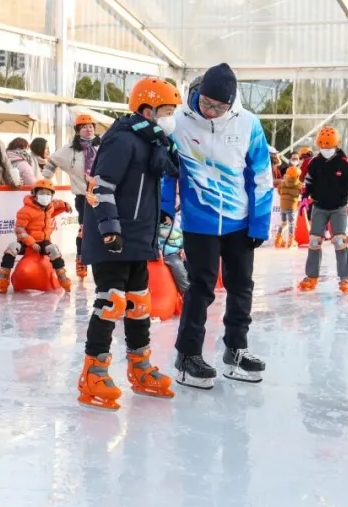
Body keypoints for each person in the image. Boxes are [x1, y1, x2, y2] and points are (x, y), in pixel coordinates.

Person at [164, 63, 273, 390]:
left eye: (219, 107)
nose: (211, 112)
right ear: (197, 94)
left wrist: (259, 223)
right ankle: (187, 356)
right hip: (200, 223)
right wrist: (165, 212)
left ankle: (236, 350)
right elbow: (167, 174)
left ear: (231, 102)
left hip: (240, 222)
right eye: (206, 103)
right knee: (201, 288)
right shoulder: (178, 123)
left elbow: (262, 176)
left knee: (242, 286)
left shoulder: (249, 124)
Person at [76, 78, 182, 411]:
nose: (170, 117)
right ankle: (94, 370)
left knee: (139, 304)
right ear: (147, 109)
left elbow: (147, 188)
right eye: (166, 111)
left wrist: (160, 214)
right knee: (112, 302)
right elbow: (101, 187)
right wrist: (109, 228)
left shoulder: (153, 141)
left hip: (139, 236)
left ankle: (139, 365)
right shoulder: (122, 140)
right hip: (115, 237)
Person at [297, 127, 348, 292]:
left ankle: (345, 278)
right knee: (314, 241)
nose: (325, 150)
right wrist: (304, 198)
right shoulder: (315, 162)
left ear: (336, 145)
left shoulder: (345, 163)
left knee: (339, 241)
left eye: (328, 147)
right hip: (319, 206)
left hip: (338, 207)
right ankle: (311, 276)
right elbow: (308, 182)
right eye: (322, 147)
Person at [43, 114, 101, 279]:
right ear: (77, 130)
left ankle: (103, 261)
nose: (88, 129)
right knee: (84, 228)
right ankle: (81, 259)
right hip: (83, 196)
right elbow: (53, 160)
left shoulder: (102, 145)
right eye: (84, 127)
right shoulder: (70, 150)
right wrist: (45, 179)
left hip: (103, 194)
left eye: (91, 126)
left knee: (105, 227)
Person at [0, 179, 73, 293]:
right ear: (35, 194)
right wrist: (31, 242)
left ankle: (62, 279)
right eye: (42, 193)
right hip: (27, 243)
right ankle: (2, 279)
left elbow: (57, 204)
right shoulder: (25, 211)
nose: (45, 196)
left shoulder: (50, 207)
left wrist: (65, 205)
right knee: (12, 247)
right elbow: (19, 229)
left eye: (48, 194)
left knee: (54, 250)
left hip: (44, 241)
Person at [275, 166, 302, 247]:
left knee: (283, 223)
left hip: (283, 206)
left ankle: (278, 238)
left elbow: (279, 192)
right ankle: (291, 241)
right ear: (297, 176)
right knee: (291, 224)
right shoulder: (299, 185)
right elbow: (300, 194)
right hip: (291, 207)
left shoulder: (282, 183)